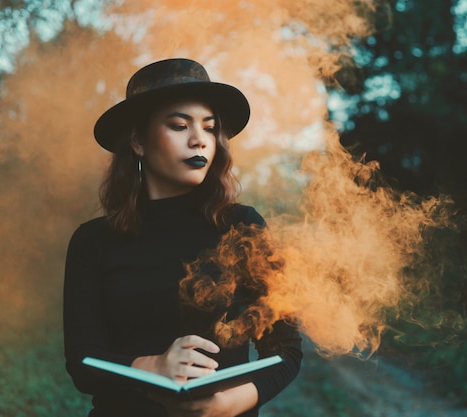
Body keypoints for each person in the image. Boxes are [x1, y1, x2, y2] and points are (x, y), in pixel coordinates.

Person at [63, 58, 303, 417]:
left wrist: (229, 404)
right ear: (138, 142)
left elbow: (286, 350)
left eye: (209, 128)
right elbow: (82, 363)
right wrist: (153, 366)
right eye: (179, 125)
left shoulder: (242, 226)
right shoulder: (92, 242)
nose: (199, 140)